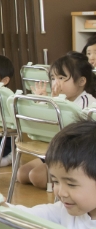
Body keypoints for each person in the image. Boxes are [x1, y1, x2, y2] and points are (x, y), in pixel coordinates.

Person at [19, 52, 96, 189]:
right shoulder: (58, 99)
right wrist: (44, 101)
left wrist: (55, 101)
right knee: (22, 174)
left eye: (62, 78)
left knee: (36, 176)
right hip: (55, 150)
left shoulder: (87, 102)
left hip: (75, 155)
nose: (56, 83)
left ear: (81, 82)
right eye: (53, 78)